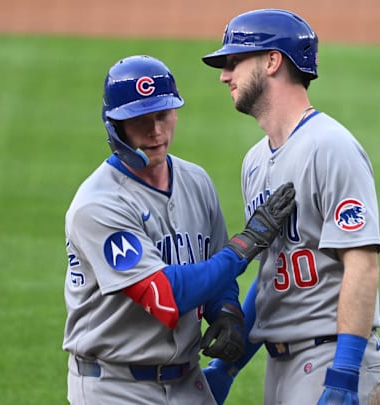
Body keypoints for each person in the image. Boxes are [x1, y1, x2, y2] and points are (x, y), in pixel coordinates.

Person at [62, 54, 296, 405]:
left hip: (188, 381)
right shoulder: (98, 205)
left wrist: (226, 311)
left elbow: (216, 271)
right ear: (115, 126)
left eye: (163, 115)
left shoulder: (195, 181)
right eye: (140, 120)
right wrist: (244, 246)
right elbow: (164, 297)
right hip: (115, 387)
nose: (156, 131)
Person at [200, 9, 380, 405]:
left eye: (234, 61)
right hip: (282, 363)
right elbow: (271, 276)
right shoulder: (254, 161)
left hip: (330, 357)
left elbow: (363, 263)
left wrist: (343, 375)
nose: (224, 75)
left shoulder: (330, 147)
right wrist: (226, 368)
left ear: (272, 61)